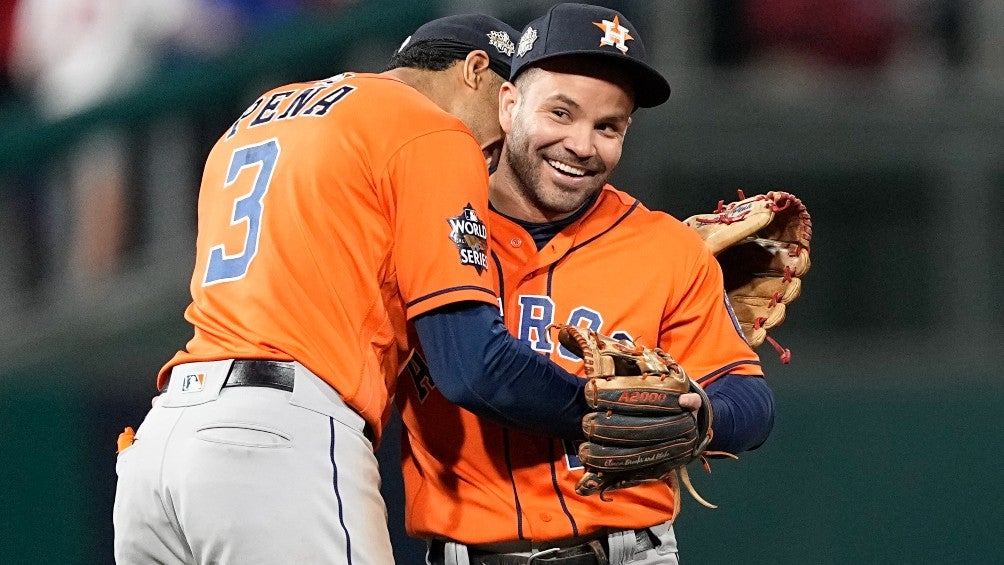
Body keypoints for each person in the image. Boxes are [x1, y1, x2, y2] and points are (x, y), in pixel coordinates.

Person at [112, 14, 606, 565]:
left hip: (161, 445)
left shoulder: (260, 112)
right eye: (508, 100)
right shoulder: (432, 130)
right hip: (274, 442)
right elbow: (470, 364)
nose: (505, 138)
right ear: (474, 69)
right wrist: (598, 409)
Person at [397, 4, 776, 565]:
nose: (581, 144)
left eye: (608, 126)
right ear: (508, 104)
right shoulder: (427, 226)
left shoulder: (663, 246)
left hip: (626, 551)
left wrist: (701, 416)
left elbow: (752, 399)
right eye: (560, 112)